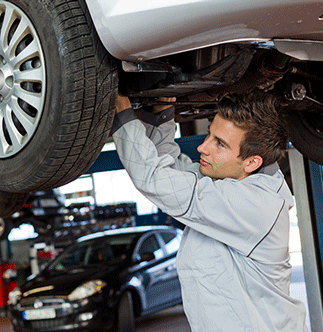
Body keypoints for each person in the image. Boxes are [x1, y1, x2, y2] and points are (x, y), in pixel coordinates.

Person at [111, 92, 307, 331]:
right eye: (209, 134)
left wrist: (121, 111)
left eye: (220, 143)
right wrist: (161, 113)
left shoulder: (253, 205)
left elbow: (154, 179)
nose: (203, 147)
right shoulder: (233, 181)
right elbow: (170, 168)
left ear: (252, 162)